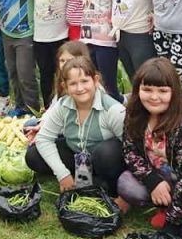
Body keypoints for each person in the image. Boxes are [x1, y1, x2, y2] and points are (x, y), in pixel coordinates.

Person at [117, 57, 182, 237]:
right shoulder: (135, 112)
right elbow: (130, 152)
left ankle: (180, 211)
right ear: (138, 89)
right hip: (160, 176)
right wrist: (153, 181)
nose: (154, 97)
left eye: (162, 91)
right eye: (147, 89)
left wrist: (172, 224)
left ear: (174, 92)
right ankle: (163, 206)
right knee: (126, 184)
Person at [25, 57, 126, 205]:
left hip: (105, 162)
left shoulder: (114, 110)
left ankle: (109, 184)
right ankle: (79, 179)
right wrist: (62, 174)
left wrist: (126, 196)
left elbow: (134, 149)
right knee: (33, 155)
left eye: (85, 81)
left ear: (95, 80)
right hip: (77, 154)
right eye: (73, 83)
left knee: (106, 152)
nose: (80, 88)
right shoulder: (63, 105)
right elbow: (44, 138)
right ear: (65, 86)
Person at [0, 0, 39, 116]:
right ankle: (19, 107)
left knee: (25, 74)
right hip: (7, 32)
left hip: (25, 33)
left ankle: (33, 110)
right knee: (13, 72)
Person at [30, 0, 68, 108]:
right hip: (40, 37)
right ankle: (47, 108)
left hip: (61, 35)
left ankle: (64, 106)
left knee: (64, 74)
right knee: (45, 74)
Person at [80, 0, 120, 101]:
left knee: (108, 86)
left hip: (105, 43)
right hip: (88, 40)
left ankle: (119, 118)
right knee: (95, 85)